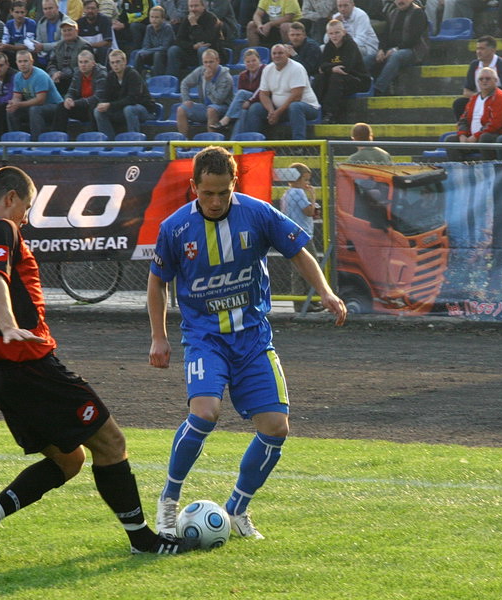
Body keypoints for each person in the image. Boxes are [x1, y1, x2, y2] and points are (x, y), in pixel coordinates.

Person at [0, 166, 198, 560]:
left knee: (69, 460)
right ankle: (145, 541)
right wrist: (7, 325)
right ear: (10, 198)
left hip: (0, 376)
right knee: (111, 443)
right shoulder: (0, 228)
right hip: (31, 365)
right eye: (27, 207)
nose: (26, 218)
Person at [148, 146, 347, 540]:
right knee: (205, 412)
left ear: (233, 184)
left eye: (224, 192)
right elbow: (158, 281)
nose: (216, 201)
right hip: (205, 338)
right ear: (193, 188)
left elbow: (299, 252)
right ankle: (168, 503)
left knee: (276, 427)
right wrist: (159, 336)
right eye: (208, 193)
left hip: (253, 338)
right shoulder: (175, 228)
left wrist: (324, 291)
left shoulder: (257, 213)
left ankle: (237, 509)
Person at [243, 43, 321, 140]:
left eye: (280, 53)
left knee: (295, 107)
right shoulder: (267, 69)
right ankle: (254, 145)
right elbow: (263, 94)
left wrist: (277, 113)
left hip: (306, 107)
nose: (277, 56)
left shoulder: (297, 68)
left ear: (287, 54)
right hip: (280, 110)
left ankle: (299, 146)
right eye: (274, 53)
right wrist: (271, 111)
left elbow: (296, 97)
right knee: (255, 108)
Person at [280, 162, 325, 313]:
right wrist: (313, 197)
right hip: (302, 233)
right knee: (309, 266)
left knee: (299, 268)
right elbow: (308, 211)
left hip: (292, 233)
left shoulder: (287, 193)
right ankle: (305, 302)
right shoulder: (297, 193)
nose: (307, 183)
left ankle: (302, 302)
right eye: (305, 179)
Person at [445, 66, 502, 161]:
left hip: (492, 137)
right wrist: (462, 135)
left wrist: (475, 137)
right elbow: (463, 119)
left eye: (488, 78)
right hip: (472, 138)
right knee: (450, 140)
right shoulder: (474, 98)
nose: (484, 81)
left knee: (485, 138)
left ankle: (490, 171)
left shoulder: (501, 97)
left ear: (495, 80)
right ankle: (459, 172)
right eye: (481, 79)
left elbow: (495, 124)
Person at [314, 19, 370, 124]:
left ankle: (331, 114)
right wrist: (331, 68)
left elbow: (346, 68)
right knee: (320, 78)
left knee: (336, 77)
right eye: (331, 33)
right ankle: (315, 109)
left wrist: (328, 68)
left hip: (358, 80)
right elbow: (321, 66)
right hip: (339, 78)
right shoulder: (329, 46)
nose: (334, 36)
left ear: (344, 32)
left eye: (337, 32)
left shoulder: (350, 45)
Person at [94, 49, 156, 139]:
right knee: (98, 111)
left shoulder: (133, 75)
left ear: (125, 61)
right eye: (112, 63)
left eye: (118, 62)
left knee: (129, 109)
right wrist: (102, 104)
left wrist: (110, 105)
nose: (115, 65)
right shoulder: (110, 76)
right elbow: (106, 97)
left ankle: (135, 141)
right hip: (122, 109)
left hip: (145, 109)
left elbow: (133, 99)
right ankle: (109, 143)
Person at [371, 0, 428, 96]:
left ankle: (378, 90)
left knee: (396, 56)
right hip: (390, 49)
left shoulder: (418, 13)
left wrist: (396, 49)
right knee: (369, 58)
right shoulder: (392, 13)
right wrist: (381, 49)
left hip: (413, 51)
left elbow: (414, 39)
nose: (400, 1)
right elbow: (385, 35)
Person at [452, 35, 502, 121]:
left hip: (497, 100)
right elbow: (466, 91)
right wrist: (481, 98)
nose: (478, 52)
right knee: (459, 103)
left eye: (482, 49)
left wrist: (489, 99)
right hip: (480, 98)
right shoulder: (474, 65)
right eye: (477, 49)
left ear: (492, 50)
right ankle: (463, 130)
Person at [6, 50, 64, 139]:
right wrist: (13, 104)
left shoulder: (40, 75)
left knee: (35, 110)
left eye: (25, 61)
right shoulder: (17, 76)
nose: (23, 64)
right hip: (36, 106)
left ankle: (37, 143)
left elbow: (40, 100)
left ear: (32, 62)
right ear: (16, 63)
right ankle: (15, 141)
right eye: (20, 61)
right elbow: (17, 97)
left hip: (55, 106)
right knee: (11, 110)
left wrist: (19, 104)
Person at [176, 48, 233, 137]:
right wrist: (186, 99)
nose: (208, 65)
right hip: (205, 107)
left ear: (218, 61)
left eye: (211, 62)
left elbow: (217, 101)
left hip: (224, 108)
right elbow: (184, 83)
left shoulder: (226, 77)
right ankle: (184, 144)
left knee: (211, 109)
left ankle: (212, 145)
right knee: (181, 109)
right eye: (205, 62)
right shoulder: (200, 71)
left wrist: (209, 81)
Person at [51, 49, 107, 134]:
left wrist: (75, 103)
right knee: (62, 106)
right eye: (80, 62)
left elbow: (97, 98)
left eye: (86, 62)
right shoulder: (77, 73)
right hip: (82, 106)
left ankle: (93, 139)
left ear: (93, 63)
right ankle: (57, 138)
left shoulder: (101, 74)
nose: (83, 65)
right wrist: (68, 99)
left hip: (96, 107)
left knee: (93, 107)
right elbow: (71, 91)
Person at [212, 47, 265, 133]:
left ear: (259, 60)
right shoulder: (243, 75)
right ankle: (234, 142)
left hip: (262, 100)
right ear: (244, 63)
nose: (251, 63)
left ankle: (226, 119)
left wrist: (250, 102)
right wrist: (246, 103)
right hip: (248, 102)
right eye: (248, 62)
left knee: (241, 93)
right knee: (242, 113)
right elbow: (241, 98)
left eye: (254, 60)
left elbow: (262, 89)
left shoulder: (265, 70)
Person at [167, 0, 223, 78]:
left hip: (211, 55)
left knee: (202, 50)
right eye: (191, 6)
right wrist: (193, 46)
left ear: (203, 6)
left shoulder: (211, 18)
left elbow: (207, 40)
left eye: (196, 6)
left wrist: (194, 24)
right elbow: (178, 41)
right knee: (173, 50)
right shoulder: (187, 19)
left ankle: (205, 79)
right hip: (191, 53)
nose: (193, 9)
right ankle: (172, 82)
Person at [329, 0, 378, 71]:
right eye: (340, 6)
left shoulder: (361, 15)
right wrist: (334, 23)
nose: (342, 9)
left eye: (345, 5)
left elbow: (360, 41)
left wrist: (340, 42)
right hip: (344, 46)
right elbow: (327, 39)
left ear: (352, 5)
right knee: (322, 48)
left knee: (348, 49)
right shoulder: (336, 17)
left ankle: (346, 73)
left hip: (366, 48)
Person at [47, 16, 92, 94]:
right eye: (64, 30)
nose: (67, 33)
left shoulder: (84, 46)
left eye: (70, 30)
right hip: (58, 79)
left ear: (77, 31)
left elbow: (85, 67)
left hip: (77, 80)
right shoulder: (58, 46)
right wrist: (54, 73)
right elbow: (51, 63)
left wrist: (63, 75)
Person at [133, 5, 176, 77]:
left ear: (163, 19)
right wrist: (146, 51)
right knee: (139, 54)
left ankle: (157, 79)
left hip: (165, 56)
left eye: (157, 17)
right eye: (152, 17)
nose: (154, 20)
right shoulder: (149, 28)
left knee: (158, 54)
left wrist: (148, 51)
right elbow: (146, 45)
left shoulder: (167, 28)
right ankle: (136, 78)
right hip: (152, 54)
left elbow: (165, 47)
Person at [0, 0, 38, 65]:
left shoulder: (31, 23)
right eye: (17, 12)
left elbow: (29, 46)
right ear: (11, 12)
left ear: (26, 12)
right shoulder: (8, 24)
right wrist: (1, 46)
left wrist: (9, 47)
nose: (20, 15)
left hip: (27, 53)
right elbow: (5, 41)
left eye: (22, 12)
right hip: (12, 52)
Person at [77, 0, 114, 64]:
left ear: (98, 10)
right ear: (84, 10)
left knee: (102, 50)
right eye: (88, 8)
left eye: (93, 8)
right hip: (87, 52)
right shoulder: (79, 23)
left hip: (104, 52)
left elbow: (108, 43)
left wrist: (90, 46)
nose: (90, 11)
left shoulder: (104, 20)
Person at [34, 0, 64, 67]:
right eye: (45, 9)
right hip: (43, 59)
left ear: (57, 7)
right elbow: (38, 41)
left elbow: (63, 43)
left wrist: (43, 46)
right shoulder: (41, 22)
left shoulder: (65, 22)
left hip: (60, 59)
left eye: (50, 8)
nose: (48, 11)